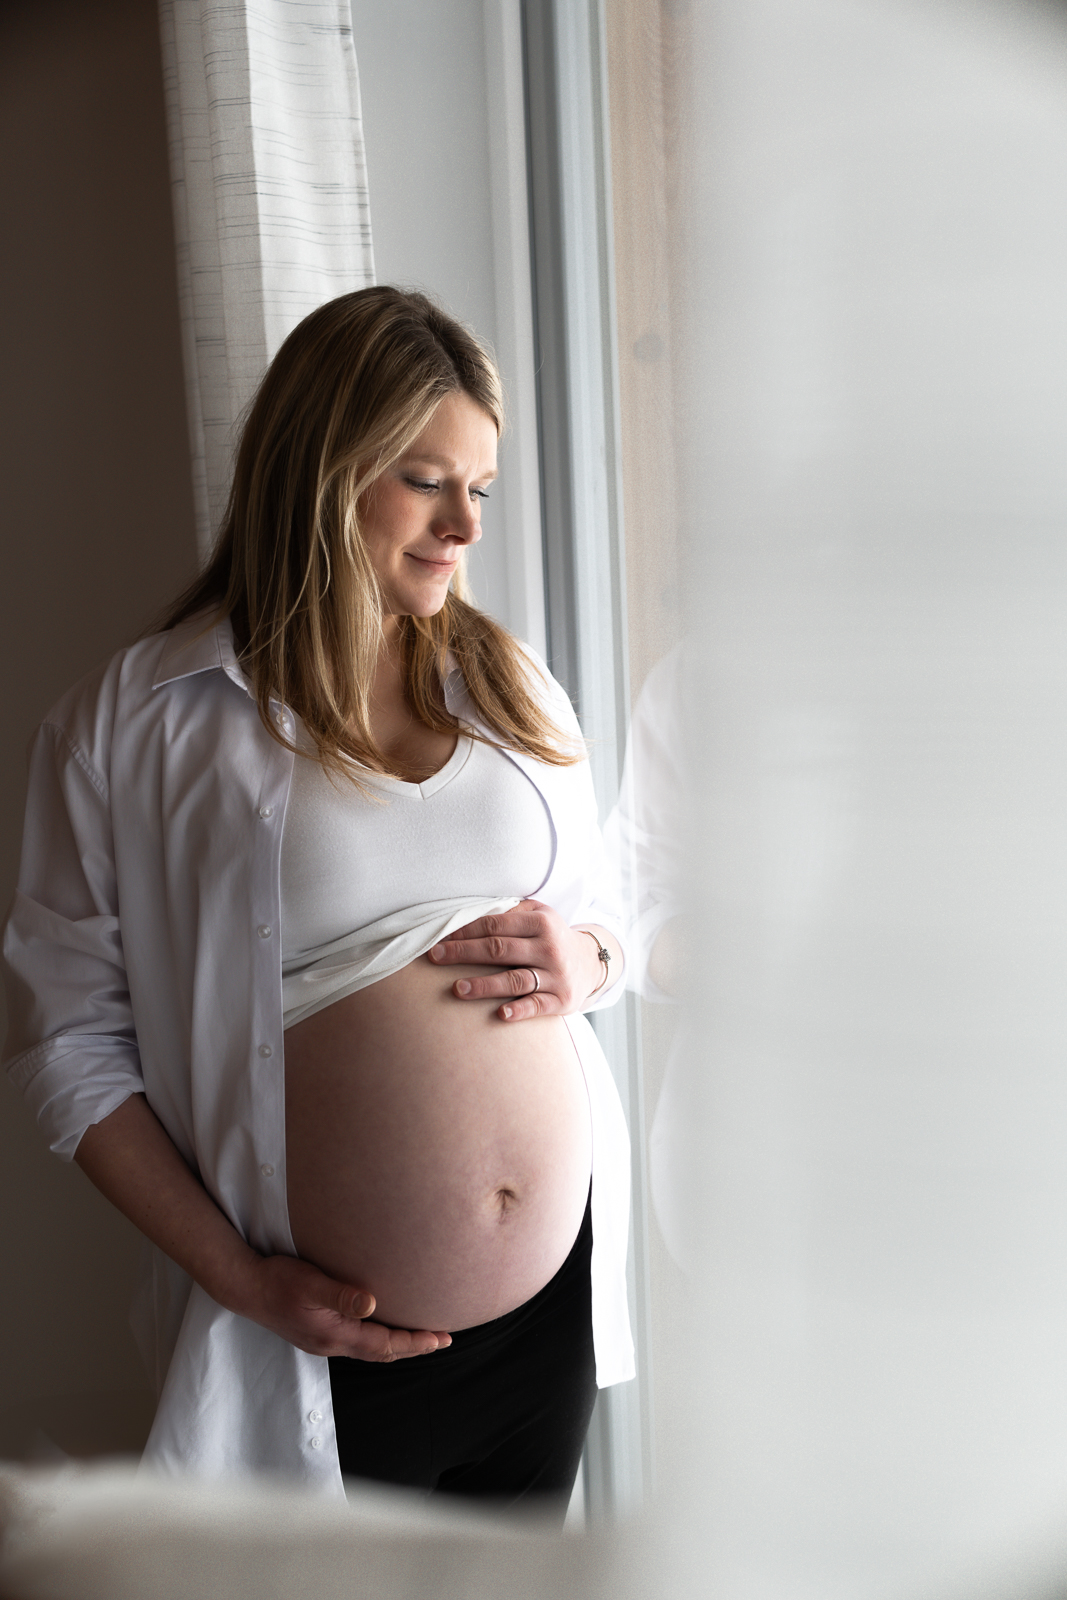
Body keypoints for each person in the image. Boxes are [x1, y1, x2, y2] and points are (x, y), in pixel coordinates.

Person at [1, 287, 634, 1513]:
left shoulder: (512, 687)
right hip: (325, 1340)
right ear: (320, 472)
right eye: (424, 480)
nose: (464, 525)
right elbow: (66, 1047)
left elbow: (599, 913)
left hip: (545, 1327)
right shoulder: (134, 724)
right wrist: (237, 1278)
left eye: (480, 487)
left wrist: (588, 959)